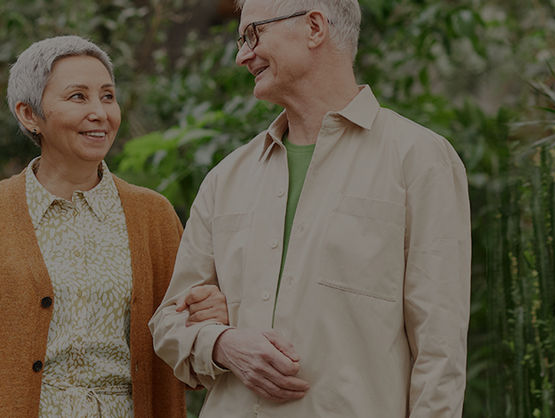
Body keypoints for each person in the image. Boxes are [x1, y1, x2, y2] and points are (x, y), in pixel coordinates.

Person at [148, 0, 472, 416]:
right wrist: (224, 344)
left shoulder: (420, 159)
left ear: (314, 28)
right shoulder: (226, 177)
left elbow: (439, 353)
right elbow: (169, 324)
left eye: (252, 35)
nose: (241, 55)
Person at [0, 35, 228, 418]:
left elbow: (185, 350)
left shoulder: (153, 217)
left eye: (107, 96)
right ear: (29, 115)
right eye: (78, 97)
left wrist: (210, 316)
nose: (100, 112)